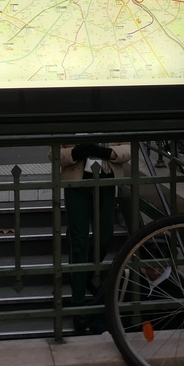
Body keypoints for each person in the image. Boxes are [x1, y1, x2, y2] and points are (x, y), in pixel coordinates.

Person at [56, 141, 132, 330]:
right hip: (76, 183)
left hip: (106, 180)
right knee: (79, 241)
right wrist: (75, 152)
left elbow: (129, 145)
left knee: (105, 235)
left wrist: (107, 152)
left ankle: (85, 274)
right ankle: (78, 303)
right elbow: (53, 151)